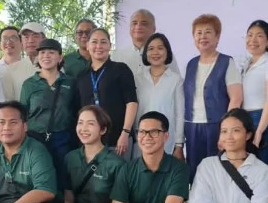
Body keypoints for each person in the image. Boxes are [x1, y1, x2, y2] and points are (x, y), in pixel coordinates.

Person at [183, 14, 243, 179]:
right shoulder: (191, 64)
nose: (203, 36)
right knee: (195, 172)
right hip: (192, 127)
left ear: (217, 37)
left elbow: (236, 99)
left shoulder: (227, 62)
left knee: (219, 170)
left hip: (217, 126)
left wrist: (227, 131)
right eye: (199, 33)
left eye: (208, 32)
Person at [20, 38, 79, 174]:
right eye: (42, 52)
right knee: (37, 174)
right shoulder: (29, 84)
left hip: (63, 138)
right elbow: (23, 113)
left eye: (51, 52)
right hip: (35, 138)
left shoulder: (70, 82)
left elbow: (76, 111)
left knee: (63, 176)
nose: (46, 56)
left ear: (60, 57)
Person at [77, 27, 138, 157]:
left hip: (118, 140)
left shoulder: (120, 69)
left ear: (110, 46)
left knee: (120, 177)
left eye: (103, 42)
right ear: (87, 46)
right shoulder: (81, 76)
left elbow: (132, 103)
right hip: (91, 142)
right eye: (94, 42)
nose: (99, 46)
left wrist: (125, 133)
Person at [134, 33, 185, 159]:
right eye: (151, 49)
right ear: (145, 53)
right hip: (142, 139)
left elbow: (180, 114)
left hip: (166, 139)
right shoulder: (137, 78)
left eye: (160, 48)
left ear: (167, 52)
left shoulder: (175, 79)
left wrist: (179, 144)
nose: (155, 52)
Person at [241, 20, 268, 168]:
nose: (253, 40)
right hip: (246, 122)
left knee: (261, 172)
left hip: (263, 122)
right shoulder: (246, 65)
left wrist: (259, 131)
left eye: (259, 36)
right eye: (250, 35)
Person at [113, 9, 177, 75]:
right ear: (130, 28)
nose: (138, 27)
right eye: (134, 23)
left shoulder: (164, 54)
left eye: (144, 24)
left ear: (153, 29)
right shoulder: (117, 56)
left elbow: (176, 81)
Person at [0, 26, 37, 101]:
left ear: (22, 43)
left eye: (13, 38)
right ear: (0, 44)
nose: (9, 42)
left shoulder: (34, 67)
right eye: (5, 38)